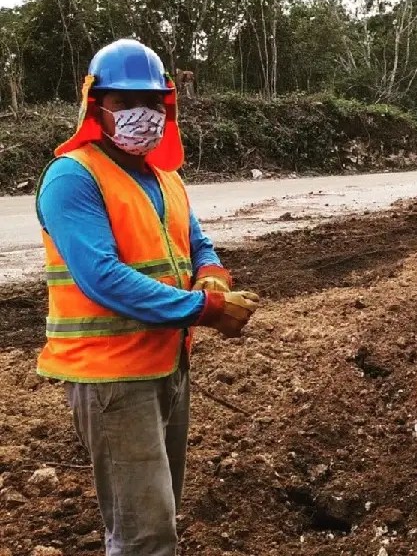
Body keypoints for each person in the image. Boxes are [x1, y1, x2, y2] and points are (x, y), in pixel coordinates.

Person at [35, 38, 260, 555]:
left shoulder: (164, 176)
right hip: (112, 378)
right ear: (97, 106)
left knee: (159, 514)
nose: (144, 114)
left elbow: (197, 241)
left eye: (154, 103)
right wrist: (205, 309)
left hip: (166, 365)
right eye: (127, 103)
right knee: (144, 535)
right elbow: (102, 278)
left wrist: (212, 277)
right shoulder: (73, 177)